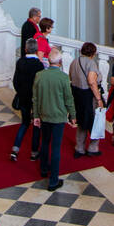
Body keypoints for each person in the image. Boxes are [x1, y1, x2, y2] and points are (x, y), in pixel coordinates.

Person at [32, 49, 77, 191]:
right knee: (56, 148)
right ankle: (53, 181)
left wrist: (36, 116)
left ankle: (44, 169)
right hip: (58, 117)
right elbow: (69, 99)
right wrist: (73, 115)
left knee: (45, 143)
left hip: (44, 115)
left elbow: (35, 98)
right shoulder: (63, 77)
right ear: (60, 62)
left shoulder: (39, 75)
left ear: (49, 61)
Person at [10, 37, 44, 163]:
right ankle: (34, 153)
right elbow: (40, 85)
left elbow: (15, 81)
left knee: (24, 123)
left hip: (23, 98)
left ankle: (15, 150)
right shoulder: (39, 65)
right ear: (36, 50)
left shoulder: (20, 62)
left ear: (25, 49)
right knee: (36, 125)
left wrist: (20, 92)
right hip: (36, 100)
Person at [70, 40, 105, 158]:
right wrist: (99, 99)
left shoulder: (74, 61)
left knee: (81, 121)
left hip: (77, 95)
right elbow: (92, 82)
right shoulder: (91, 63)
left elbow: (71, 77)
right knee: (95, 122)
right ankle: (93, 148)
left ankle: (79, 148)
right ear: (93, 53)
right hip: (89, 96)